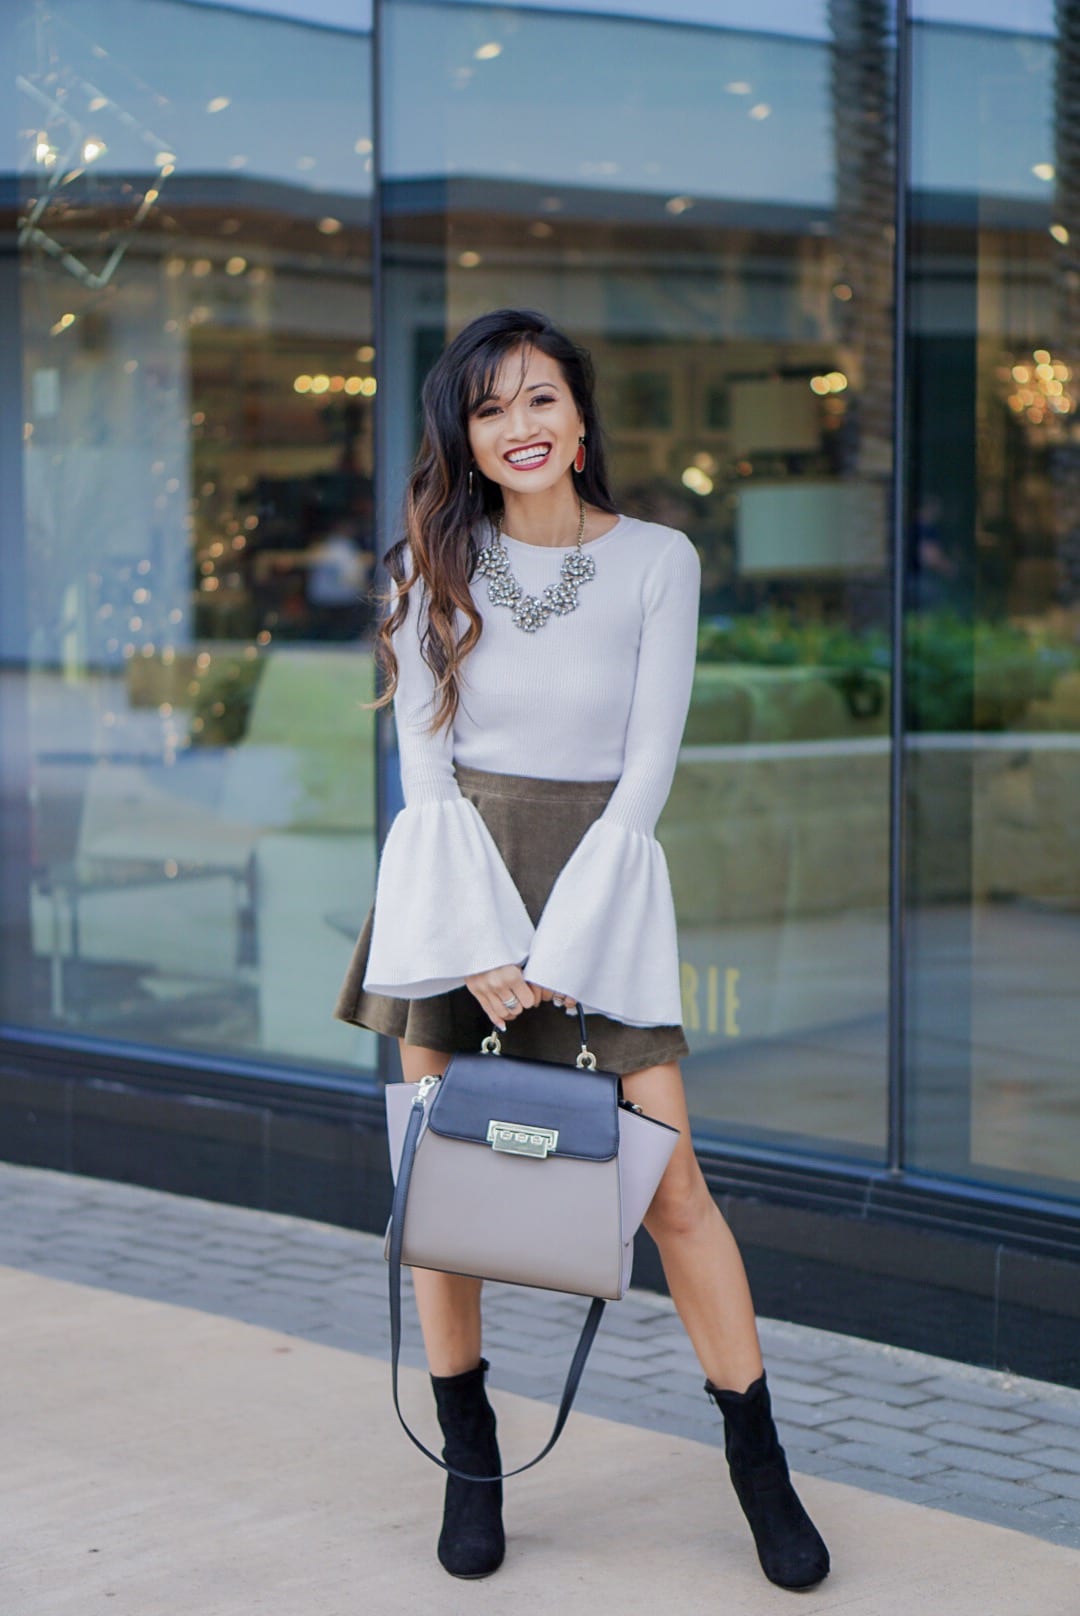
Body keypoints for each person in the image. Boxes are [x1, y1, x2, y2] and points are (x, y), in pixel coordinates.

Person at [333, 308, 830, 1591]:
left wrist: (560, 940)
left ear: (581, 414)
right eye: (492, 409)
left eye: (541, 398)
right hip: (459, 884)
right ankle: (470, 1453)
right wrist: (484, 940)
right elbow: (424, 772)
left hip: (600, 883)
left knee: (673, 1192)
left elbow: (648, 768)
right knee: (444, 1192)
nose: (522, 426)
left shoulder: (659, 557)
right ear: (467, 435)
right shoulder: (422, 567)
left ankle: (760, 1468)